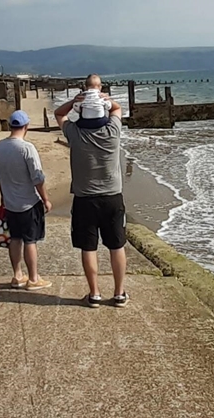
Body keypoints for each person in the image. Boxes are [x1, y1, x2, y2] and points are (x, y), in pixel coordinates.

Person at [54, 76, 128, 308]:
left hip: (85, 199)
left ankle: (94, 293)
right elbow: (118, 109)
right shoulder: (112, 131)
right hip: (112, 197)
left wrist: (78, 100)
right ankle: (119, 293)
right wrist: (105, 98)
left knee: (89, 247)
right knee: (116, 246)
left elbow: (59, 114)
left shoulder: (75, 133)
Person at [0, 109, 52, 290]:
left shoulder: (0, 147)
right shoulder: (27, 148)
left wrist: (4, 197)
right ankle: (33, 278)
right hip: (28, 202)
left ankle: (17, 275)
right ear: (26, 126)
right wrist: (46, 199)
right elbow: (38, 178)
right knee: (30, 240)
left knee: (15, 238)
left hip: (10, 202)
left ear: (11, 126)